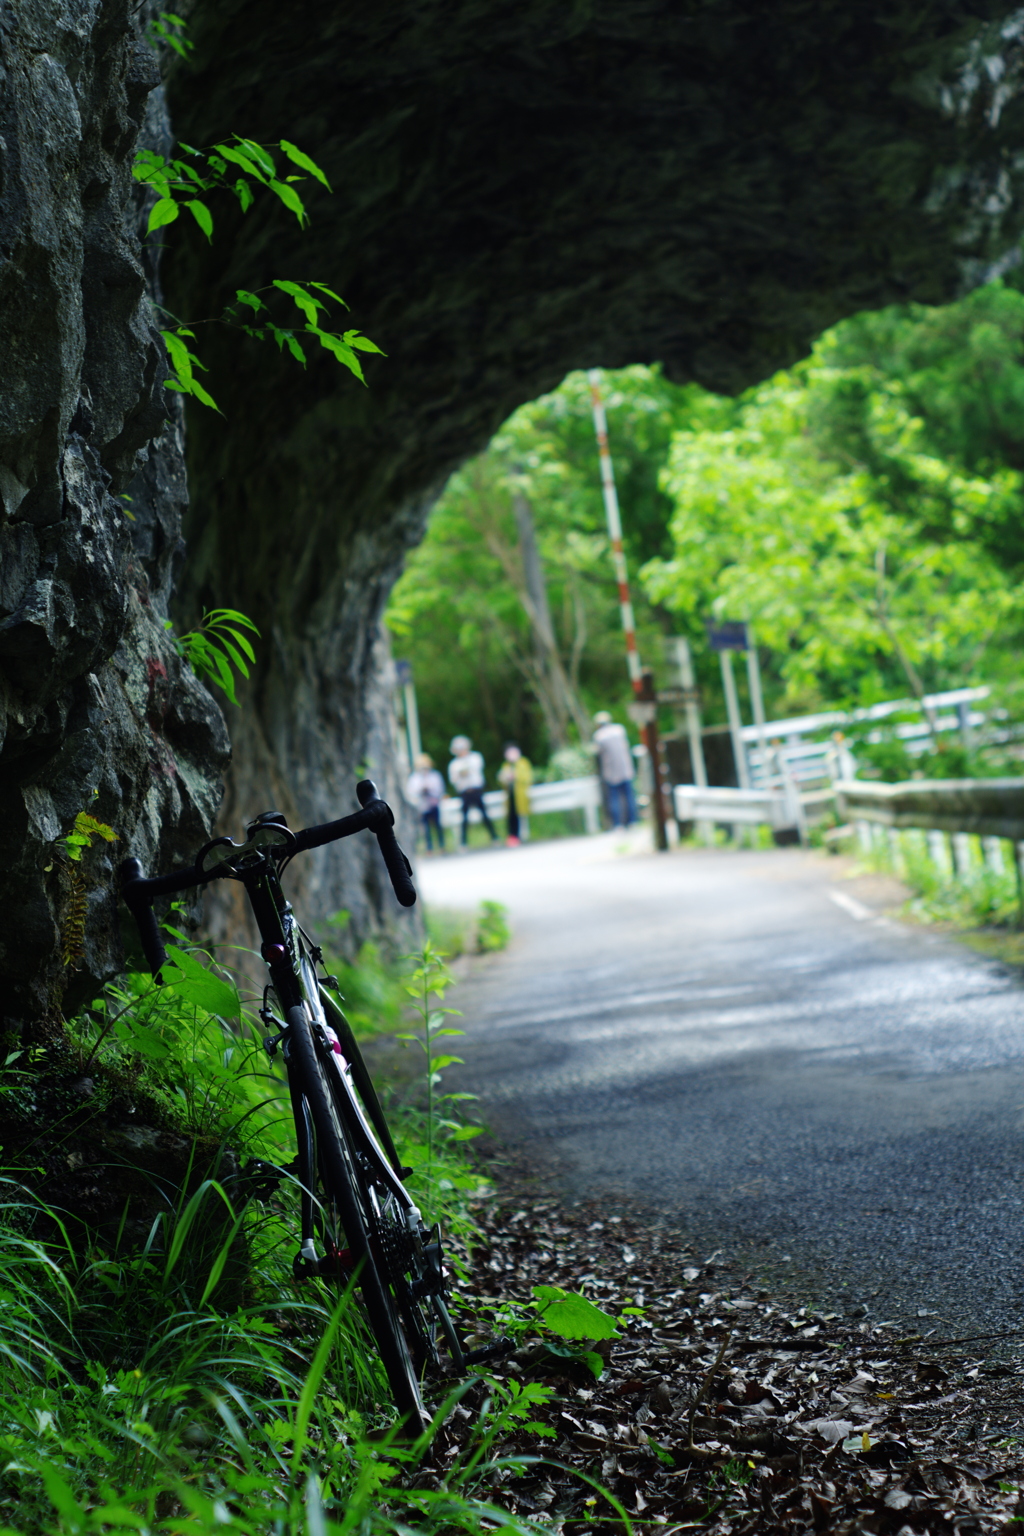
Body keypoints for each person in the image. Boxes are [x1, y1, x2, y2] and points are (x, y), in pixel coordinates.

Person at [448, 735, 499, 846]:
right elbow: (453, 779)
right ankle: (463, 842)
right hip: (464, 792)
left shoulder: (475, 757)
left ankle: (494, 837)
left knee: (485, 815)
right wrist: (460, 774)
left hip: (476, 790)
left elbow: (477, 769)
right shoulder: (454, 764)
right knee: (464, 818)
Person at [592, 711, 637, 827]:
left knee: (614, 799)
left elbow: (597, 753)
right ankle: (632, 821)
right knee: (629, 796)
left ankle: (617, 823)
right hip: (625, 769)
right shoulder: (619, 730)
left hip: (611, 772)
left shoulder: (599, 736)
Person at [405, 752, 446, 852]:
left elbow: (440, 788)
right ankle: (429, 848)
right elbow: (411, 791)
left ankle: (442, 846)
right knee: (426, 829)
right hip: (422, 805)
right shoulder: (414, 778)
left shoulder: (435, 775)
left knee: (438, 826)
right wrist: (421, 790)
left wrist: (430, 789)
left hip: (433, 803)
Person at [498, 743, 533, 846]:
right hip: (510, 795)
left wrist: (515, 776)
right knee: (511, 817)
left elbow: (527, 778)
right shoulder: (506, 765)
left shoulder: (523, 763)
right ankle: (512, 836)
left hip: (521, 794)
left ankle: (522, 836)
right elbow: (502, 779)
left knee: (521, 815)